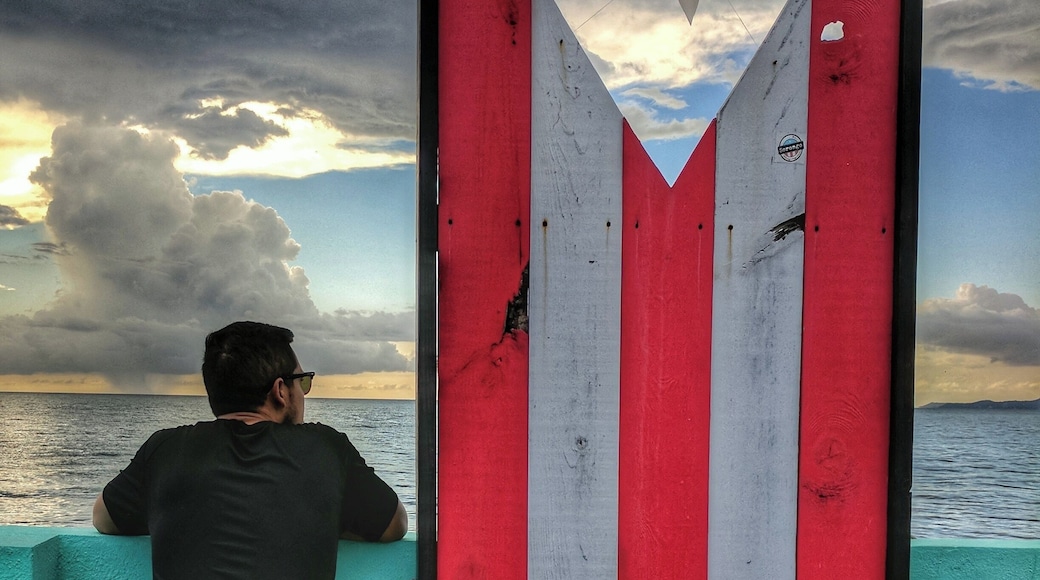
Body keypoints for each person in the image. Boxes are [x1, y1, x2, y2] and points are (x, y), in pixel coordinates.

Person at [92, 321, 408, 579]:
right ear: (280, 391)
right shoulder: (327, 449)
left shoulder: (163, 450)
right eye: (303, 382)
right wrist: (327, 519)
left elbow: (103, 518)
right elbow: (395, 525)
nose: (304, 393)